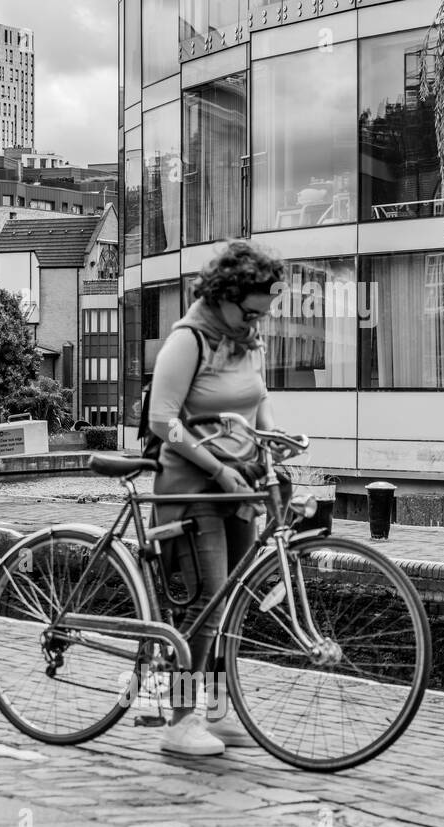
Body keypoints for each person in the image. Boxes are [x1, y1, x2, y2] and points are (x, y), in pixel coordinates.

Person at [146, 239, 283, 757]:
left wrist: (271, 439)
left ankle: (220, 714)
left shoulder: (246, 339)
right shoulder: (189, 340)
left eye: (262, 314)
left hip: (237, 484)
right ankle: (179, 722)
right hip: (192, 486)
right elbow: (164, 421)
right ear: (225, 297)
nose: (256, 322)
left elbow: (258, 399)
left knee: (234, 604)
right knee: (208, 599)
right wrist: (217, 468)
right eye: (250, 311)